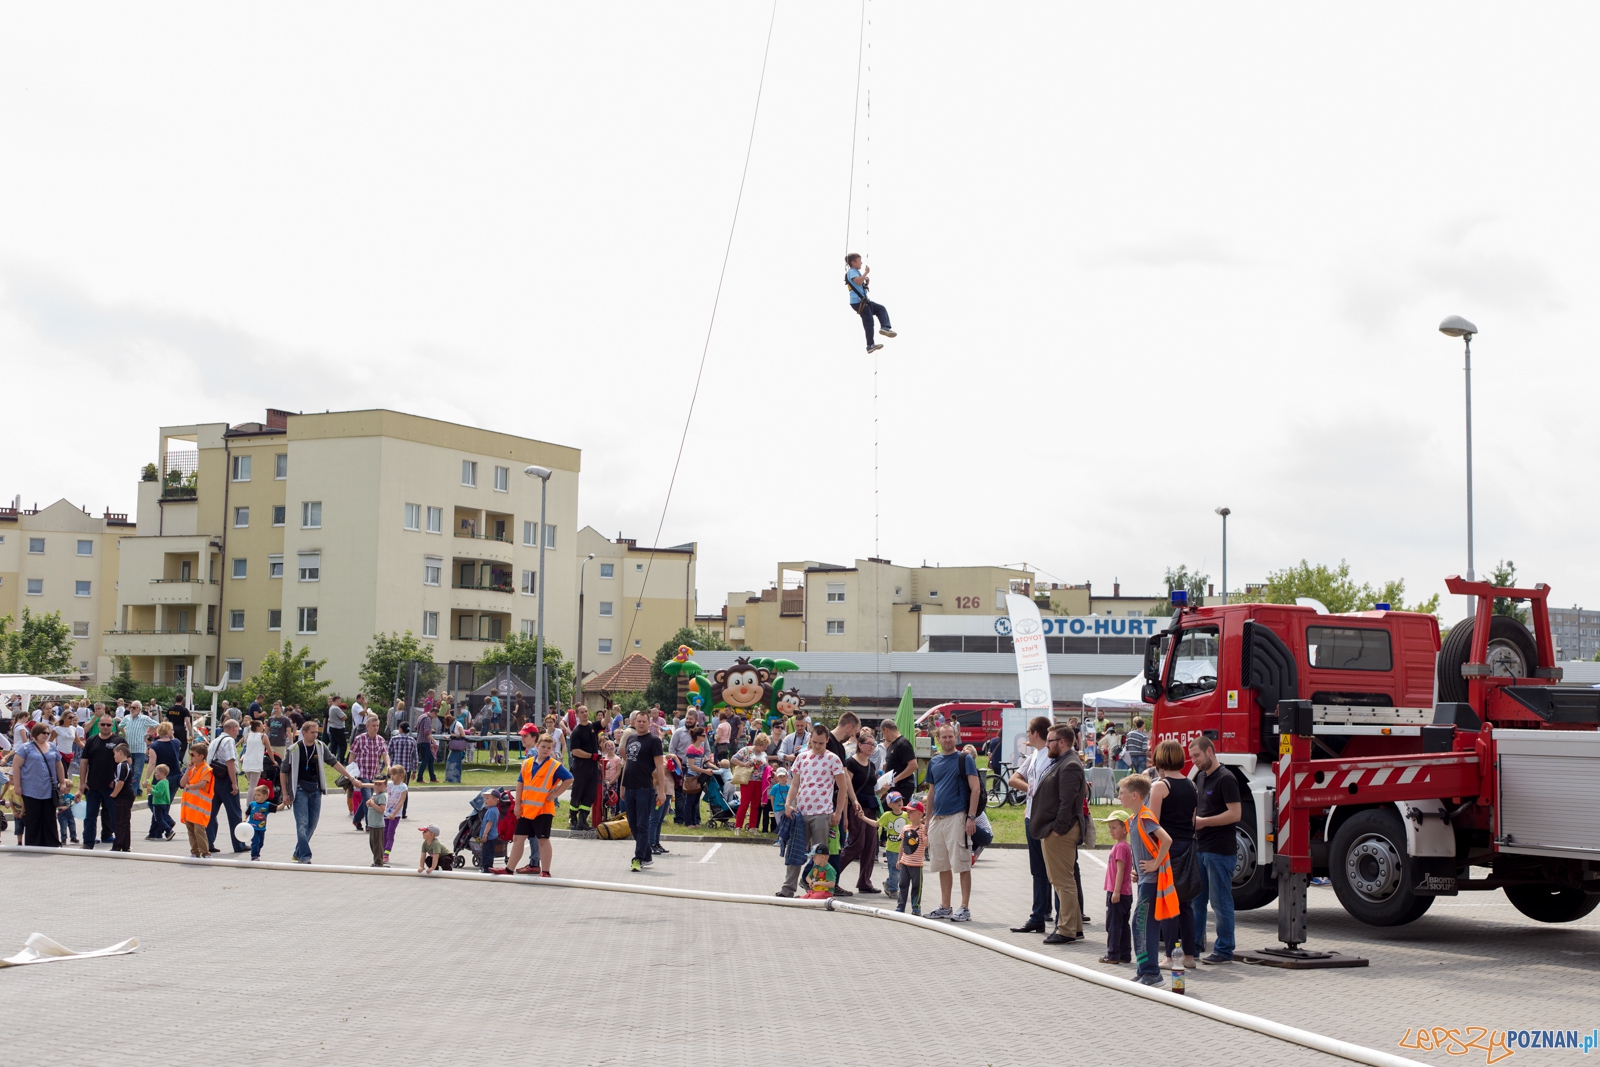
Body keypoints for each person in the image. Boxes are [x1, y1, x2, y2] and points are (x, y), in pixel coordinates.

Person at [1029, 724, 1087, 945]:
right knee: (1062, 880)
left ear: (1061, 742)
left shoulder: (1069, 765)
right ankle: (1075, 927)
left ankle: (1066, 930)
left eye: (1050, 741)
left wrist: (1057, 829)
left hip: (1061, 832)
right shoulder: (1064, 762)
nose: (1047, 744)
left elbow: (1067, 803)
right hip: (1058, 830)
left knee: (1063, 882)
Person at [776, 724, 850, 897]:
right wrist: (788, 803)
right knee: (795, 851)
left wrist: (838, 812)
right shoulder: (802, 758)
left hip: (822, 813)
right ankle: (788, 889)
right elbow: (794, 784)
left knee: (820, 856)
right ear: (810, 739)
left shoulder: (833, 759)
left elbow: (843, 788)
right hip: (801, 812)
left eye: (821, 743)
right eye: (815, 742)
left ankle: (819, 889)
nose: (817, 746)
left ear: (827, 741)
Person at [1120, 773, 1176, 988]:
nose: (1119, 797)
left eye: (1122, 793)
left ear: (1135, 795)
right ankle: (1144, 970)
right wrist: (1136, 869)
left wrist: (1154, 865)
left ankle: (1152, 973)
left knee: (1141, 924)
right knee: (1142, 924)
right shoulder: (1133, 819)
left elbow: (1166, 840)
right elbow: (1141, 848)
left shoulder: (1145, 817)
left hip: (1152, 881)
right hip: (1144, 879)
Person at [1189, 735, 1241, 965]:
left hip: (1220, 850)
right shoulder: (1200, 777)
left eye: (1197, 756)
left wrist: (1203, 822)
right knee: (1196, 901)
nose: (1194, 761)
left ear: (1210, 751)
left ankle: (1224, 949)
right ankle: (1195, 946)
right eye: (1192, 757)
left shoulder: (1226, 778)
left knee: (1220, 902)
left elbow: (1235, 814)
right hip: (1201, 847)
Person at [279, 720, 360, 864]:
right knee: (302, 822)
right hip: (299, 790)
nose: (316, 735)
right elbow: (283, 771)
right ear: (304, 733)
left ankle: (298, 851)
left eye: (317, 732)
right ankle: (305, 855)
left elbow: (334, 763)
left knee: (313, 823)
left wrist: (351, 778)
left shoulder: (320, 747)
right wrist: (285, 794)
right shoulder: (293, 749)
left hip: (315, 789)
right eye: (313, 732)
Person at [922, 724, 980, 922]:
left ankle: (965, 907)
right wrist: (927, 820)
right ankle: (945, 906)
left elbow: (976, 788)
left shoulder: (965, 759)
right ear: (937, 739)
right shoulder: (934, 762)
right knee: (942, 864)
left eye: (950, 736)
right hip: (938, 819)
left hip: (958, 816)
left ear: (956, 737)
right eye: (944, 737)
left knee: (962, 863)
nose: (948, 740)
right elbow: (932, 792)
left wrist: (971, 817)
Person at [1148, 738, 1197, 967]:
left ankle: (1169, 956)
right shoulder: (1191, 785)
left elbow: (1153, 823)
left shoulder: (1160, 786)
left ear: (1160, 759)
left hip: (1168, 849)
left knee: (1168, 902)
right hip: (1188, 848)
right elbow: (1193, 819)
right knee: (1185, 904)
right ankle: (1189, 956)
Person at [1008, 715, 1056, 934]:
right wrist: (1031, 790)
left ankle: (1062, 920)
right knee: (1038, 870)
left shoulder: (1052, 755)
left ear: (1036, 733)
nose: (1027, 735)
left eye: (1029, 731)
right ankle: (1037, 916)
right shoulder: (1035, 754)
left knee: (1055, 871)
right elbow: (1014, 779)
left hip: (1047, 819)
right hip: (1032, 817)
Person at [504, 732, 573, 877]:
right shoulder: (527, 763)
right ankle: (509, 869)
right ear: (537, 746)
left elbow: (569, 779)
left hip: (543, 810)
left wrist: (556, 794)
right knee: (518, 838)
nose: (546, 749)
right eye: (543, 746)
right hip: (526, 809)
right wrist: (517, 804)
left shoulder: (554, 765)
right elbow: (520, 783)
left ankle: (546, 871)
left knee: (543, 840)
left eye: (549, 747)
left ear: (552, 749)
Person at [833, 728, 881, 895]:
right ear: (860, 745)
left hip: (871, 807)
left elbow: (874, 789)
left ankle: (864, 882)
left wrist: (884, 788)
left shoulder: (872, 764)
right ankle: (832, 875)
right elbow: (846, 788)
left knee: (870, 845)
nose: (872, 748)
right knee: (856, 843)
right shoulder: (851, 763)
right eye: (869, 744)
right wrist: (846, 813)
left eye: (874, 745)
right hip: (856, 807)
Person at [621, 711, 666, 873]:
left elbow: (660, 767)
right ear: (634, 722)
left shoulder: (653, 741)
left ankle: (638, 858)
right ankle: (647, 855)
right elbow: (627, 763)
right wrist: (622, 786)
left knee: (642, 825)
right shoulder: (631, 738)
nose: (641, 723)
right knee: (633, 824)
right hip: (630, 787)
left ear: (648, 723)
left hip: (644, 788)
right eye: (638, 721)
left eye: (643, 721)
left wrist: (661, 791)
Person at [11, 723, 65, 847]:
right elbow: (17, 767)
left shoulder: (52, 747)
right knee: (33, 817)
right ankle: (33, 843)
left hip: (49, 789)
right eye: (43, 733)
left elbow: (58, 765)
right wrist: (17, 786)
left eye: (48, 733)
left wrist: (62, 782)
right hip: (31, 789)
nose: (46, 735)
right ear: (35, 733)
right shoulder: (25, 748)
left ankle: (51, 843)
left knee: (49, 817)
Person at [206, 718, 249, 854]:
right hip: (226, 779)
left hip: (214, 779)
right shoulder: (229, 741)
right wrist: (234, 783)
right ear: (234, 729)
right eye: (238, 730)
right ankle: (239, 844)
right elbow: (230, 762)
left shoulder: (214, 741)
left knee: (211, 813)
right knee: (234, 813)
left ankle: (207, 842)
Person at [77, 716, 120, 848]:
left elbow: (126, 763)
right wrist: (82, 783)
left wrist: (118, 781)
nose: (106, 727)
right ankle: (88, 842)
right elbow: (84, 762)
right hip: (93, 786)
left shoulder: (119, 740)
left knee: (115, 816)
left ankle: (119, 843)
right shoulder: (91, 741)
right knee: (90, 816)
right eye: (103, 725)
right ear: (99, 725)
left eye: (108, 725)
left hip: (111, 786)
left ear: (112, 726)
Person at [1097, 809, 1134, 965]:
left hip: (1117, 892)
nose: (1111, 831)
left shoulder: (1120, 847)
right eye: (1110, 828)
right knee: (1123, 924)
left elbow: (1120, 871)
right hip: (1127, 893)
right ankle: (1125, 954)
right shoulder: (1125, 846)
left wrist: (1115, 892)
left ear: (1125, 829)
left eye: (1114, 827)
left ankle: (1113, 954)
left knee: (1113, 924)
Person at [843, 252, 896, 353]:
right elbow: (858, 281)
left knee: (881, 309)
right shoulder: (852, 271)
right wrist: (866, 273)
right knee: (869, 321)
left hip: (863, 301)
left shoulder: (855, 272)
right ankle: (870, 345)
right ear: (853, 263)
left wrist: (866, 283)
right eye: (859, 261)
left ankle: (885, 327)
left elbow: (858, 284)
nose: (862, 263)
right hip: (858, 302)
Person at [348, 715, 391, 830]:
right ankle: (369, 825)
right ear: (367, 727)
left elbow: (385, 754)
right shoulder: (359, 739)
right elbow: (352, 754)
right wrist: (350, 771)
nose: (375, 728)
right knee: (369, 797)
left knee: (367, 799)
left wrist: (388, 765)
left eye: (377, 726)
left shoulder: (380, 740)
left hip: (375, 775)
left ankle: (357, 820)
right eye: (373, 726)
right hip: (362, 774)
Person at [567, 706, 602, 831]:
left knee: (589, 793)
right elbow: (575, 751)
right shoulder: (576, 732)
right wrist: (591, 756)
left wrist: (608, 709)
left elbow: (605, 722)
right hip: (581, 766)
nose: (585, 714)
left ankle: (583, 820)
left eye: (586, 711)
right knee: (577, 793)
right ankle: (573, 819)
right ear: (577, 715)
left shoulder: (593, 727)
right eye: (582, 712)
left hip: (592, 767)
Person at [179, 742, 215, 859]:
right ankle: (194, 852)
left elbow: (202, 784)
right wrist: (187, 771)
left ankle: (205, 853)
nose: (191, 756)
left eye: (193, 754)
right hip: (189, 807)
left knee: (199, 831)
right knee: (191, 831)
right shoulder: (192, 768)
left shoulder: (206, 769)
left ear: (201, 756)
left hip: (200, 807)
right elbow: (182, 783)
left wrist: (189, 786)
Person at [731, 733, 768, 832]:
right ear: (759, 744)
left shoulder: (764, 754)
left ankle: (753, 826)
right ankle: (738, 826)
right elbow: (733, 759)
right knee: (744, 803)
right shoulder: (746, 750)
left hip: (759, 781)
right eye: (764, 746)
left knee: (756, 805)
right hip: (747, 780)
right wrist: (743, 764)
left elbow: (765, 766)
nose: (765, 748)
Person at [122, 701, 158, 797]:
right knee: (130, 770)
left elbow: (156, 724)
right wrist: (125, 732)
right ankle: (137, 790)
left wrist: (149, 734)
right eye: (131, 707)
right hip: (129, 749)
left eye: (134, 707)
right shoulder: (127, 718)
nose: (131, 709)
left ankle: (132, 791)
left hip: (140, 749)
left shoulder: (144, 718)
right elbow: (120, 726)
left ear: (139, 709)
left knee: (137, 771)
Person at [896, 802, 926, 915]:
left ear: (919, 813)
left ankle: (916, 907)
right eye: (907, 811)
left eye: (911, 812)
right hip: (905, 862)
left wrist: (927, 833)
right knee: (903, 884)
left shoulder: (923, 829)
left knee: (916, 887)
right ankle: (900, 906)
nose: (908, 814)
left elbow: (926, 844)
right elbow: (902, 845)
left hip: (917, 864)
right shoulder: (905, 828)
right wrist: (899, 859)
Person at [879, 719, 918, 800]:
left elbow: (913, 765)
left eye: (883, 733)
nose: (884, 737)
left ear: (886, 730)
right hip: (892, 788)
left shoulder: (903, 744)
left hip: (902, 787)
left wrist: (896, 779)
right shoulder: (892, 745)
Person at [878, 791, 907, 898]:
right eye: (896, 801)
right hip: (891, 849)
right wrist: (863, 818)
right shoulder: (887, 815)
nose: (899, 802)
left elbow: (912, 827)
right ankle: (893, 890)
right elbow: (877, 823)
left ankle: (889, 883)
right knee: (895, 869)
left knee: (900, 871)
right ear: (890, 805)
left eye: (900, 800)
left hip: (903, 849)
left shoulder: (906, 815)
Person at [388, 721, 418, 818]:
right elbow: (415, 757)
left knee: (393, 789)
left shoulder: (394, 739)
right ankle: (403, 812)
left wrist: (386, 766)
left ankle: (392, 809)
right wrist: (415, 770)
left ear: (400, 729)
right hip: (406, 770)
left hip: (394, 769)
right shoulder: (412, 740)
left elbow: (388, 753)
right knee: (404, 789)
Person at [110, 743, 135, 852]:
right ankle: (126, 845)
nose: (114, 756)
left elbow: (120, 782)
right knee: (125, 820)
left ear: (120, 753)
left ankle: (117, 845)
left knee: (119, 821)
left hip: (123, 795)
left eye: (114, 754)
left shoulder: (121, 765)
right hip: (129, 794)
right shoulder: (128, 765)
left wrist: (113, 794)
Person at [381, 765, 409, 862]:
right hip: (386, 813)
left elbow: (401, 802)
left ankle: (386, 853)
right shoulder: (389, 784)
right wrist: (362, 784)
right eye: (391, 774)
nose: (392, 776)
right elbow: (376, 785)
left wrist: (394, 813)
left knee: (390, 834)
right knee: (384, 833)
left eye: (394, 774)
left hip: (395, 815)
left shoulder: (403, 787)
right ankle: (382, 851)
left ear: (401, 775)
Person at [145, 764, 175, 840]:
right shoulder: (165, 782)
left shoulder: (161, 783)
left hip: (158, 803)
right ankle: (155, 833)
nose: (155, 774)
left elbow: (159, 793)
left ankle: (169, 830)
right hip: (163, 803)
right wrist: (151, 786)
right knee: (157, 818)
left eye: (156, 772)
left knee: (159, 819)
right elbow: (158, 788)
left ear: (162, 773)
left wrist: (151, 790)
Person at [477, 790, 502, 872]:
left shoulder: (491, 811)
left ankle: (486, 868)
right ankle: (487, 867)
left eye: (487, 798)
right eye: (485, 798)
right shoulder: (493, 809)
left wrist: (485, 834)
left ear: (495, 800)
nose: (485, 800)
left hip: (489, 837)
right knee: (489, 853)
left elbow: (489, 823)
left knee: (486, 853)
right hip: (493, 836)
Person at [365, 782, 390, 866]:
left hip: (377, 825)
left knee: (377, 845)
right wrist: (369, 803)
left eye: (380, 785)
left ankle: (378, 862)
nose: (377, 786)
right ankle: (377, 860)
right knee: (372, 844)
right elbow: (368, 803)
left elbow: (382, 809)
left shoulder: (382, 796)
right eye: (376, 784)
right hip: (372, 824)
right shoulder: (375, 795)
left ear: (385, 786)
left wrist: (372, 804)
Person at [246, 784, 272, 861]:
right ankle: (254, 856)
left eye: (258, 795)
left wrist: (284, 803)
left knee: (261, 843)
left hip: (262, 828)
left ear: (265, 796)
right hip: (252, 827)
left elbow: (277, 808)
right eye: (255, 795)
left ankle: (256, 853)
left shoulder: (267, 805)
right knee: (256, 841)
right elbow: (247, 813)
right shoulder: (252, 804)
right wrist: (244, 819)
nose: (256, 797)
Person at [414, 702, 438, 784]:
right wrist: (433, 740)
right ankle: (419, 778)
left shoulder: (422, 716)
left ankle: (433, 777)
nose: (435, 717)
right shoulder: (428, 719)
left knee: (431, 759)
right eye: (436, 715)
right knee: (425, 760)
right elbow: (426, 732)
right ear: (433, 713)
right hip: (425, 742)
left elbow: (416, 727)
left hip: (419, 740)